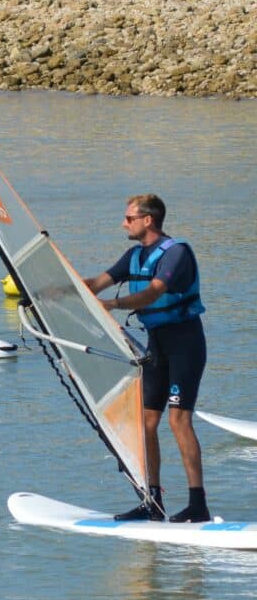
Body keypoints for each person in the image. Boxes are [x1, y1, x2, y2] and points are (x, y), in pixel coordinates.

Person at [83, 194, 208, 523]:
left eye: (129, 218)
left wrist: (113, 306)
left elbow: (154, 292)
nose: (124, 223)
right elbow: (96, 283)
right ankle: (153, 502)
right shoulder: (134, 255)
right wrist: (52, 290)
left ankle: (198, 504)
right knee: (146, 423)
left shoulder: (176, 252)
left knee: (178, 421)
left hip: (185, 343)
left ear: (147, 220)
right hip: (157, 346)